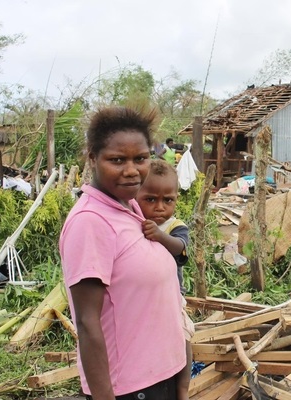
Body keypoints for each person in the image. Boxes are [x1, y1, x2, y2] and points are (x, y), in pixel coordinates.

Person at [59, 106, 187, 400]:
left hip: (160, 375)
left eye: (140, 158)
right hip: (129, 387)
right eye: (117, 160)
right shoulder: (91, 222)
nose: (132, 171)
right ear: (92, 158)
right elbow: (87, 322)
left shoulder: (131, 208)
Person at [135, 159, 195, 397]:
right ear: (135, 196)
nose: (160, 207)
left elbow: (180, 249)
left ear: (176, 199)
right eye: (150, 199)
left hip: (171, 298)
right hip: (143, 299)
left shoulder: (175, 227)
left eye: (167, 200)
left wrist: (160, 236)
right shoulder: (132, 222)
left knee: (183, 338)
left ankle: (182, 390)